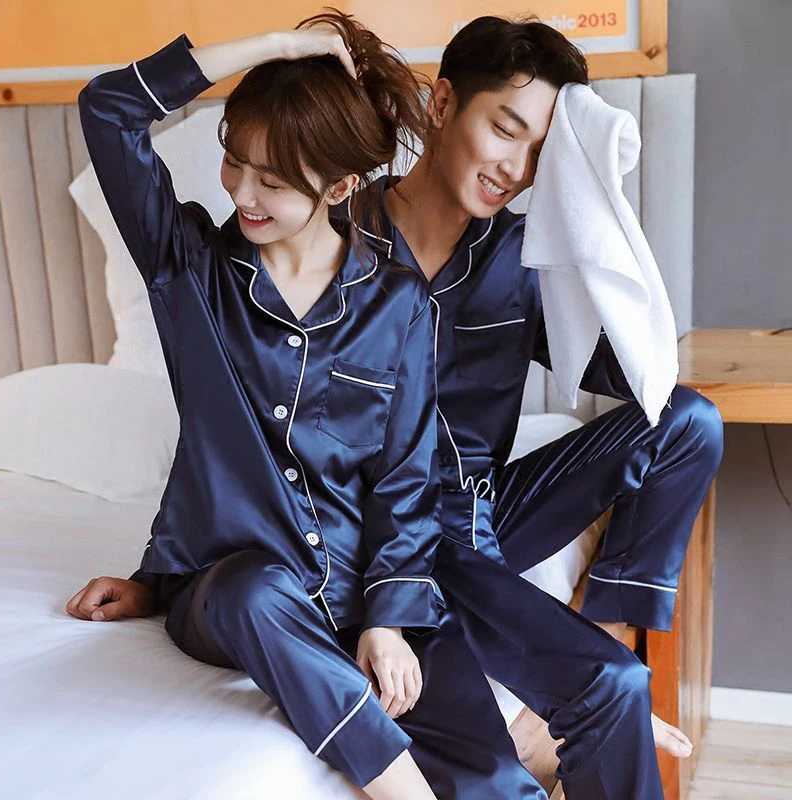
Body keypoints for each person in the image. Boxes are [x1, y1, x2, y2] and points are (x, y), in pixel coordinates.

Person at [64, 13, 544, 800]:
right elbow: (108, 107)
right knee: (256, 592)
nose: (241, 192)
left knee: (495, 775)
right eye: (234, 161)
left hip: (356, 589)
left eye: (274, 181)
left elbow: (405, 479)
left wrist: (387, 619)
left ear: (341, 187)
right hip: (231, 587)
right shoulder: (190, 269)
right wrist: (276, 48)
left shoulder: (398, 306)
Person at [334, 11, 724, 785]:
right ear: (442, 103)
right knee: (598, 695)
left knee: (689, 422)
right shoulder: (336, 239)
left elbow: (640, 381)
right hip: (378, 533)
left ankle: (600, 636)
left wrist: (594, 231)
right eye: (505, 130)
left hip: (481, 513)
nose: (515, 168)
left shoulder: (522, 258)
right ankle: (585, 688)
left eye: (541, 153)